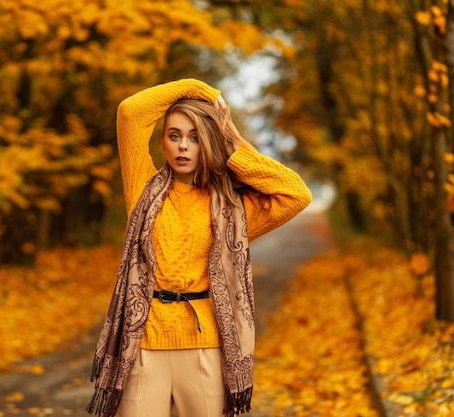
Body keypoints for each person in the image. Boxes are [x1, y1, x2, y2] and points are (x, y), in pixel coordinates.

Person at [86, 78, 312, 417]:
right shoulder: (142, 190)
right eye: (175, 135)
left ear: (208, 142)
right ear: (162, 141)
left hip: (205, 347)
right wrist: (198, 88)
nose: (183, 147)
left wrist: (231, 137)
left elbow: (295, 194)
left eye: (194, 137)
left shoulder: (231, 209)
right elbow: (131, 113)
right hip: (144, 343)